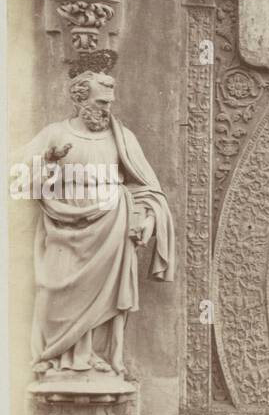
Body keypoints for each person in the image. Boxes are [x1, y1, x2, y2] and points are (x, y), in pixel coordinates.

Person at [24, 70, 174, 378]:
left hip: (111, 231)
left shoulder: (122, 138)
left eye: (110, 102)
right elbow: (16, 179)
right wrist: (47, 161)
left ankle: (101, 360)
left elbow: (149, 189)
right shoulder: (55, 134)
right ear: (79, 99)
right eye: (101, 101)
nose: (107, 109)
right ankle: (54, 357)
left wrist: (146, 218)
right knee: (53, 291)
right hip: (62, 229)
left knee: (107, 303)